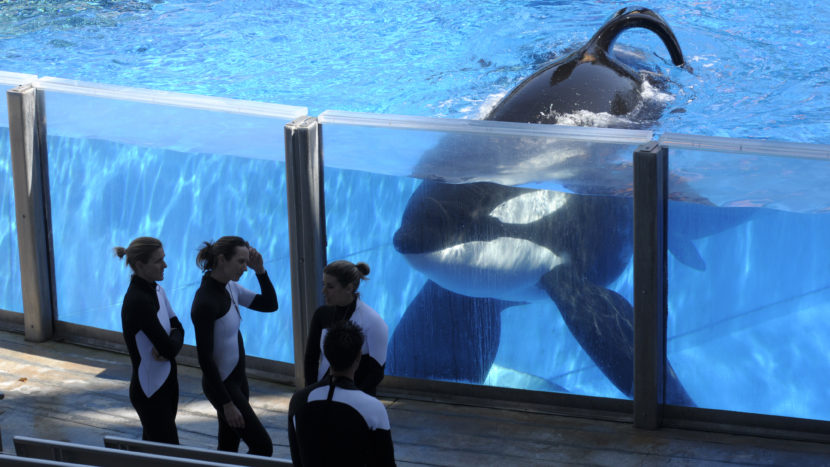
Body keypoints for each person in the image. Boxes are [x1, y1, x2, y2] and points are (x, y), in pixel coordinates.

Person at [190, 236, 278, 456]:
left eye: (247, 262)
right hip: (223, 386)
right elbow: (205, 359)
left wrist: (261, 271)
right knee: (262, 446)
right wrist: (226, 403)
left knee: (228, 447)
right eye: (241, 262)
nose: (245, 268)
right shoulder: (205, 302)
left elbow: (270, 304)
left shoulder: (231, 288)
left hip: (238, 381)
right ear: (221, 260)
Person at [289, 320, 396, 466]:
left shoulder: (298, 400)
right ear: (358, 356)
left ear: (326, 353)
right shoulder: (373, 408)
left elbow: (297, 459)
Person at [116, 236, 184, 444]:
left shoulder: (157, 289)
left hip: (167, 384)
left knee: (155, 454)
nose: (165, 265)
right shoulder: (138, 301)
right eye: (158, 261)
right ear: (140, 265)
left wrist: (171, 342)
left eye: (163, 258)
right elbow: (170, 348)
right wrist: (170, 344)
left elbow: (178, 329)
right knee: (169, 455)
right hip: (150, 392)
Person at [304, 260, 388, 396]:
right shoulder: (321, 314)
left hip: (359, 398)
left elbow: (376, 373)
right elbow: (311, 358)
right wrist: (311, 392)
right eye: (323, 284)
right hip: (324, 393)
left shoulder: (374, 322)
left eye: (330, 287)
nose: (323, 291)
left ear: (349, 288)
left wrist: (351, 399)